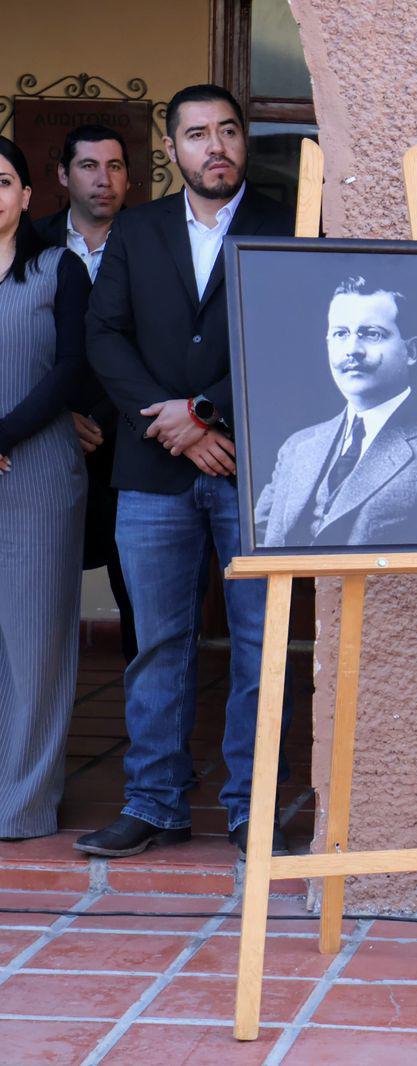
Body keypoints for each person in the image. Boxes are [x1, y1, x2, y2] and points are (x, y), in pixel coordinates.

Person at [78, 85, 292, 859]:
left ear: (245, 141)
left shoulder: (284, 226)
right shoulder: (136, 230)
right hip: (152, 469)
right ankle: (155, 802)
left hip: (252, 466)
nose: (217, 146)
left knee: (260, 643)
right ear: (172, 151)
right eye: (198, 134)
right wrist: (173, 424)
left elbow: (294, 340)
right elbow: (104, 337)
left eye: (229, 131)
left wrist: (205, 410)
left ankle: (252, 807)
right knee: (158, 644)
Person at [253, 275, 417, 548]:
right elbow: (257, 547)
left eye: (372, 334)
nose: (352, 350)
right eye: (340, 334)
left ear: (411, 351)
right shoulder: (297, 447)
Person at [0, 135, 92, 840]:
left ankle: (22, 805)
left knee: (35, 643)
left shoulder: (59, 269)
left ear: (28, 196)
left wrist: (2, 436)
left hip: (37, 473)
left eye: (3, 182)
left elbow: (70, 372)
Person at [36, 123, 137, 663]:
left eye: (115, 167)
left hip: (134, 447)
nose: (104, 180)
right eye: (89, 166)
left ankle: (147, 743)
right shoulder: (30, 243)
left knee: (141, 609)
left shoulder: (151, 241)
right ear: (62, 175)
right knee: (35, 604)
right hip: (47, 441)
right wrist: (55, 415)